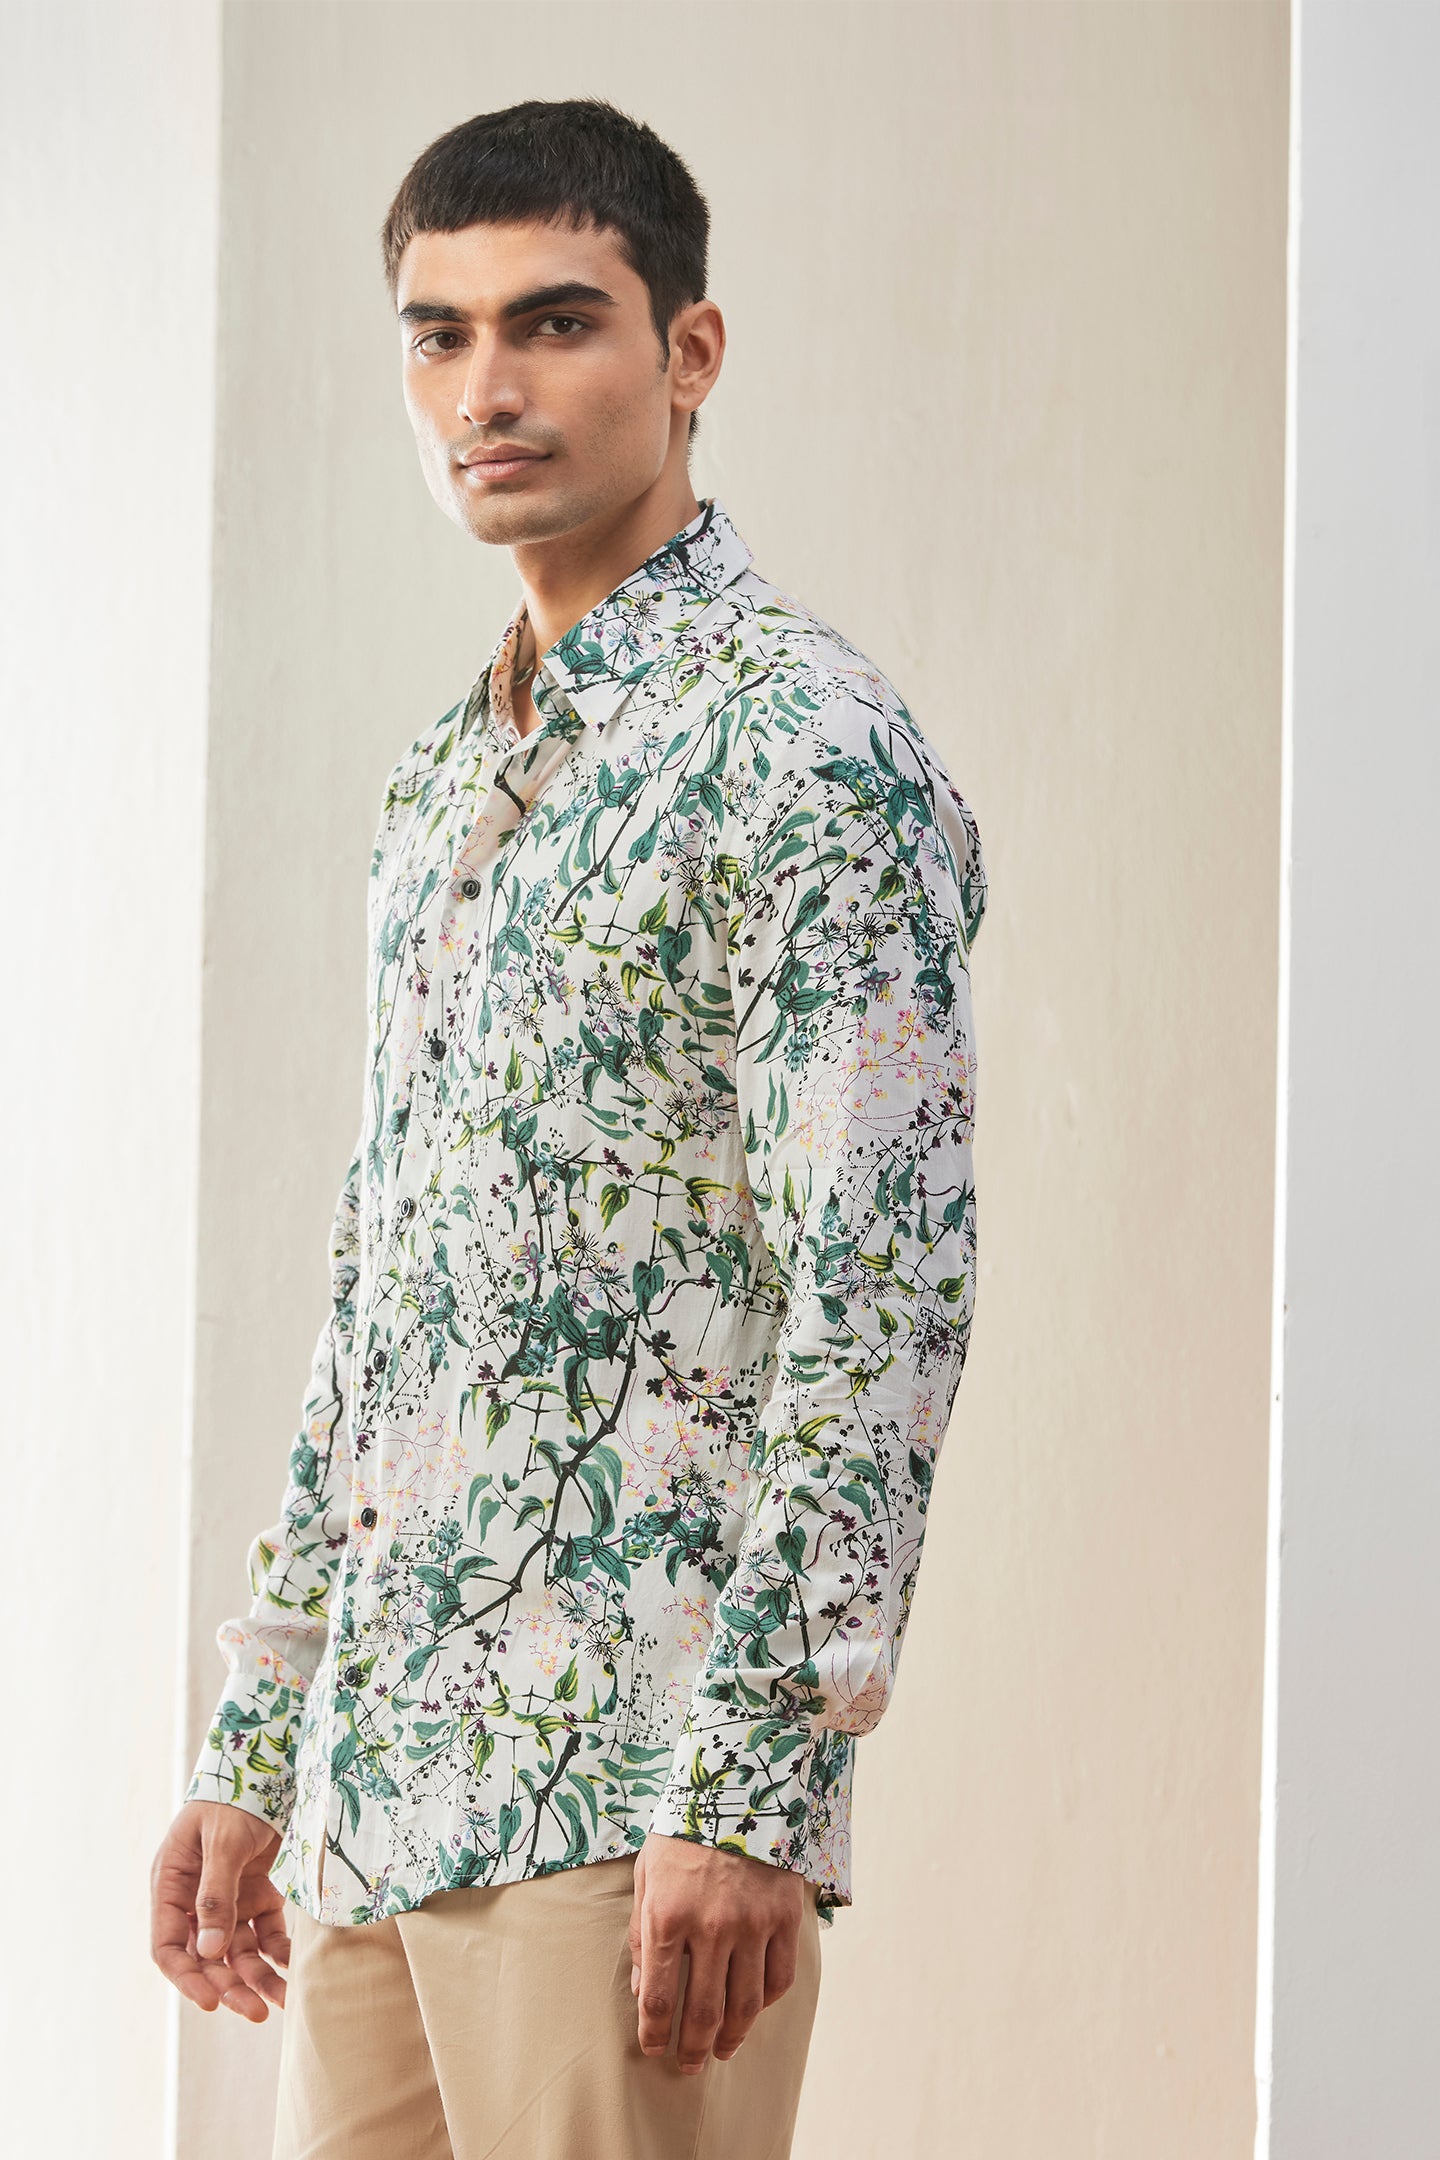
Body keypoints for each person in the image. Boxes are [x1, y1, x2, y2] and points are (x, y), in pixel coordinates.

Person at [150, 95, 987, 2160]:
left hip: (633, 1790)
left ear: (689, 354)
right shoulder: (449, 778)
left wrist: (757, 1787)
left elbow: (881, 1285)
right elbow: (389, 1278)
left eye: (553, 321)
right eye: (438, 335)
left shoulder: (804, 750)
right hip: (386, 1784)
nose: (486, 390)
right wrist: (260, 1731)